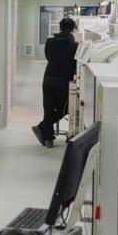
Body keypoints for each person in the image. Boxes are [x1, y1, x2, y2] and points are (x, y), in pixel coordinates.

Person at [33, 16, 78, 147]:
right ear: (73, 30)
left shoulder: (49, 41)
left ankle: (48, 139)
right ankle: (42, 126)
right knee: (66, 108)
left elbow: (48, 57)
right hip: (63, 81)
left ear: (60, 27)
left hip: (48, 79)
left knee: (48, 108)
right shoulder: (75, 45)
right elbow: (75, 64)